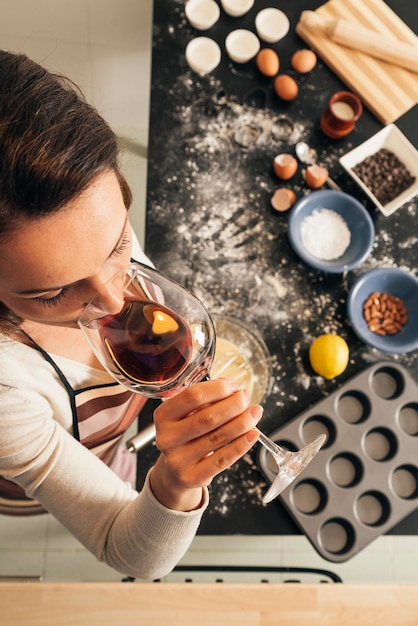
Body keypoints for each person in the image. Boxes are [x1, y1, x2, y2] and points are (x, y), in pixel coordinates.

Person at [0, 51, 263, 580]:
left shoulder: (82, 220)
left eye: (119, 243)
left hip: (117, 442)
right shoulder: (8, 395)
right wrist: (175, 484)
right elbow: (126, 550)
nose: (115, 301)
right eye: (54, 293)